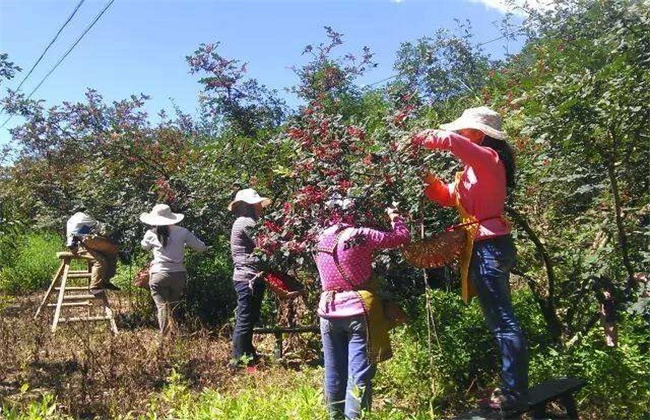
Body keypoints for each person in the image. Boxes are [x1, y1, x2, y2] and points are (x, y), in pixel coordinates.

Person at [413, 106, 528, 411]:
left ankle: (513, 391)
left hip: (489, 247)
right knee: (499, 320)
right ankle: (511, 386)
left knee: (503, 321)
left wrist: (420, 138)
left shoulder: (488, 159)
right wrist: (425, 177)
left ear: (478, 134)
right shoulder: (472, 171)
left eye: (465, 130)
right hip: (485, 246)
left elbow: (453, 143)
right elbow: (446, 196)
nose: (460, 134)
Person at [314, 196, 410, 419]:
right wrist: (395, 215)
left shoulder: (320, 239)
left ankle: (335, 416)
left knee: (334, 372)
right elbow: (401, 237)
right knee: (359, 375)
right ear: (353, 214)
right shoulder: (360, 235)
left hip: (327, 311)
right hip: (358, 312)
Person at [140, 204, 207, 335]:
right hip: (178, 274)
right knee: (173, 306)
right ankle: (174, 333)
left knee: (162, 308)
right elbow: (201, 247)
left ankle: (165, 337)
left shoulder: (151, 233)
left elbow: (144, 247)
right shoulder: (182, 231)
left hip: (159, 273)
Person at [228, 188, 272, 368]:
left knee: (249, 317)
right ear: (248, 206)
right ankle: (239, 360)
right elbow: (266, 243)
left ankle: (247, 353)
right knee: (245, 318)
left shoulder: (247, 221)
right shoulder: (246, 222)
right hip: (247, 278)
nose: (260, 207)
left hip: (251, 276)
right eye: (257, 204)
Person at [66, 208, 120, 295]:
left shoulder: (74, 219)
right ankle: (95, 287)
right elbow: (99, 228)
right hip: (78, 246)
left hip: (81, 244)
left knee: (110, 253)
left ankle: (105, 281)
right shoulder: (82, 218)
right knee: (100, 261)